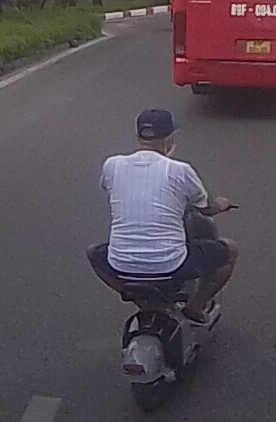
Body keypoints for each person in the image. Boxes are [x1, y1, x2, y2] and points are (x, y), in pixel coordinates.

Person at [88, 109, 239, 326]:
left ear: (139, 137)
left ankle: (142, 301)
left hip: (120, 264)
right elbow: (207, 208)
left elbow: (109, 186)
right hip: (171, 264)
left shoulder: (112, 165)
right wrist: (222, 204)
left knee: (92, 252)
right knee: (230, 250)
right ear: (168, 139)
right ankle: (195, 308)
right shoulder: (180, 170)